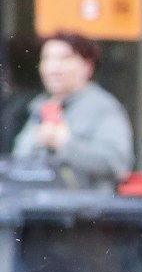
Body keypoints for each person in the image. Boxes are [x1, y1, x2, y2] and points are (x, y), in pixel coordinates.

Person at [9, 32, 134, 190]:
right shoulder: (39, 106)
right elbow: (18, 159)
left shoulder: (102, 107)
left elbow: (117, 164)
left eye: (64, 59)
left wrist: (64, 144)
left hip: (85, 210)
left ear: (88, 66)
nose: (54, 68)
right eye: (46, 59)